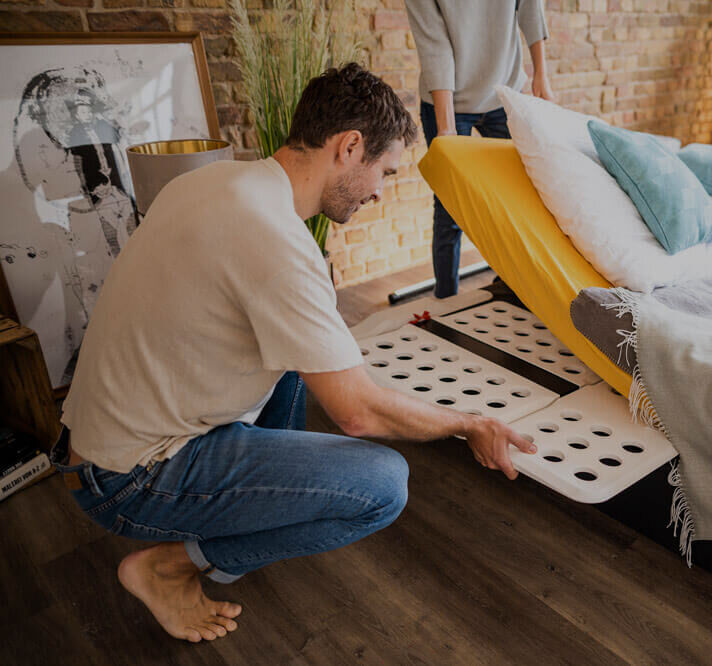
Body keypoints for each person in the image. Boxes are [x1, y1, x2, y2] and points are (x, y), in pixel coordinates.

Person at [52, 63, 537, 644]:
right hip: (130, 479)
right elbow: (359, 413)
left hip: (93, 445)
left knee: (308, 350)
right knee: (382, 486)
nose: (381, 190)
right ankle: (172, 565)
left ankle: (251, 508)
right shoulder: (277, 240)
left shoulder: (208, 181)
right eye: (383, 170)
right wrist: (469, 423)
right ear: (349, 146)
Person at [405, 0, 554, 298]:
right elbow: (435, 46)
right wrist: (446, 128)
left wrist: (541, 74)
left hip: (503, 92)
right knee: (450, 207)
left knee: (513, 198)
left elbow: (529, 8)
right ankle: (446, 300)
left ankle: (511, 289)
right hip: (448, 100)